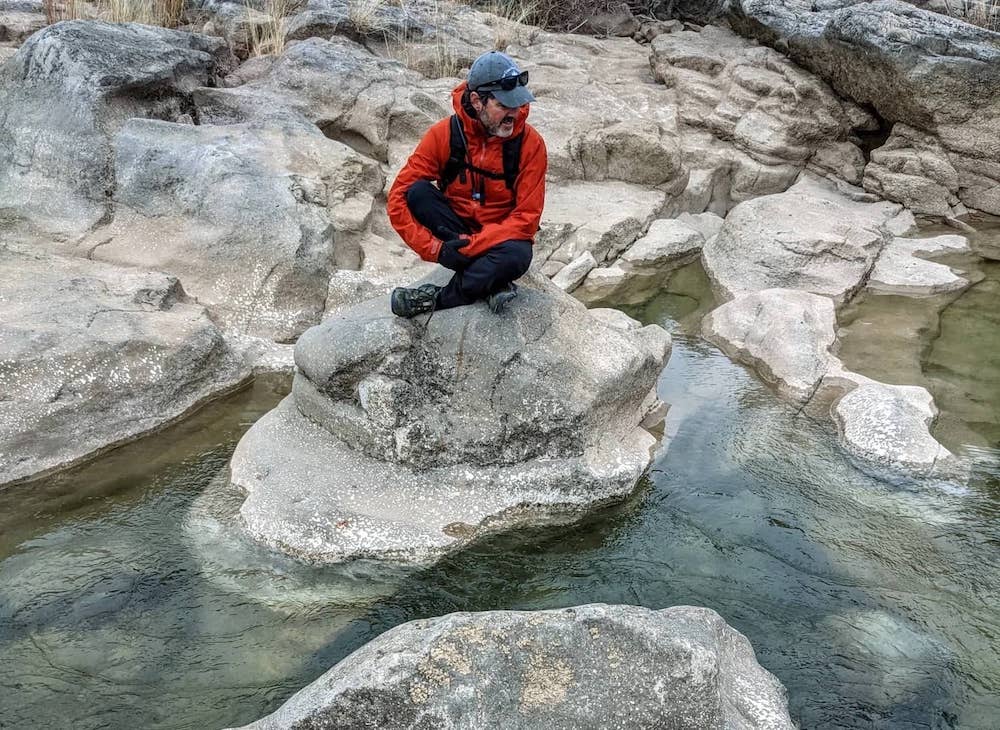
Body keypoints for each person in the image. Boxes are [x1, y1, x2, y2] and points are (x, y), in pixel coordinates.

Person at [387, 50, 547, 318]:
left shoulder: (531, 145)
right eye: (504, 105)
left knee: (518, 255)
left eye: (517, 105)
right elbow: (397, 199)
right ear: (477, 101)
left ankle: (437, 299)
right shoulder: (444, 134)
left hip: (499, 240)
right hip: (453, 233)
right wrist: (436, 249)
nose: (515, 114)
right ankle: (490, 281)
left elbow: (526, 219)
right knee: (417, 194)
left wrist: (473, 245)